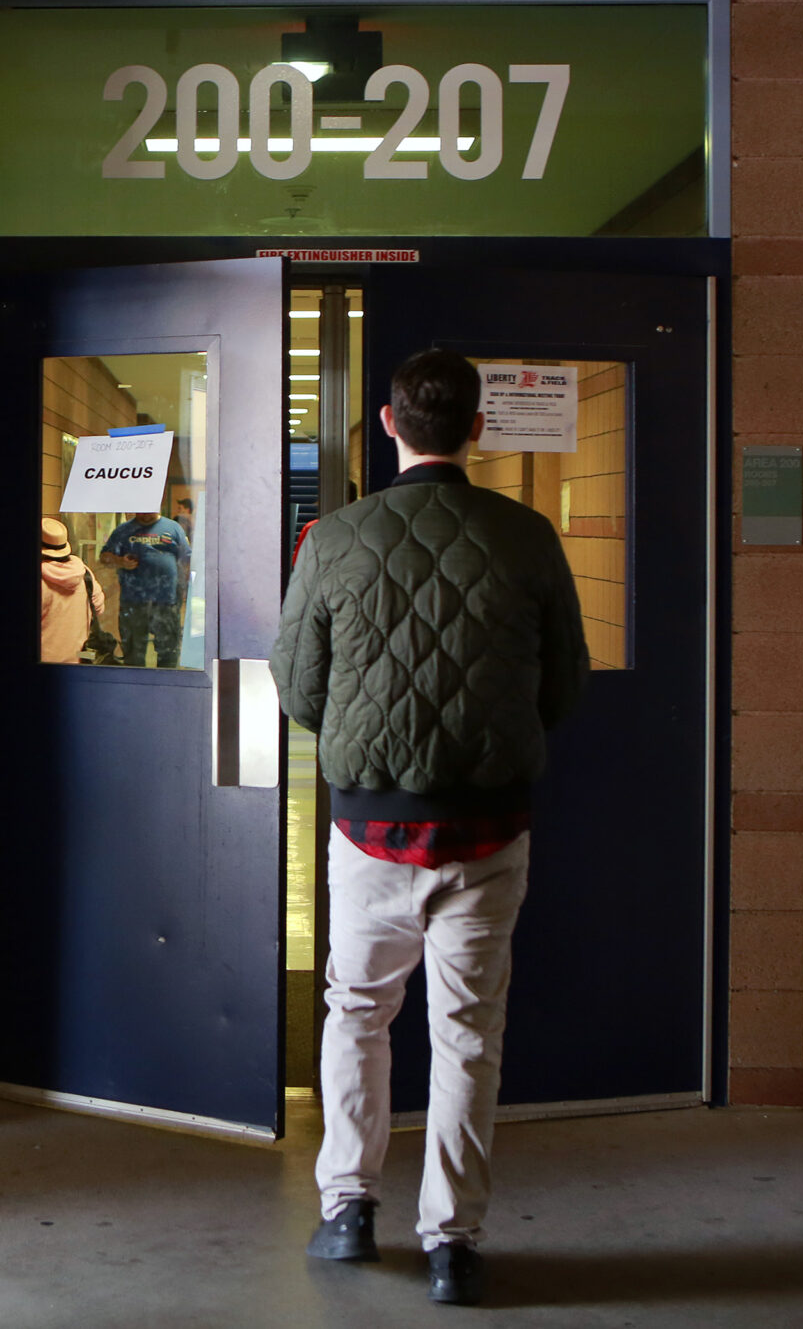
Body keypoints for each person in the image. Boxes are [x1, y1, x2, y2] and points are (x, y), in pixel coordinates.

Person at [271, 350, 588, 1307]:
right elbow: (564, 684)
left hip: (371, 830)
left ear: (387, 421)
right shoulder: (529, 537)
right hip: (489, 829)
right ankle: (452, 1242)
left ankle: (349, 1210)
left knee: (358, 1011)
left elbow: (299, 687)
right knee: (467, 1032)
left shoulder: (333, 538)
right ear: (477, 427)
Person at [96, 504, 188, 668]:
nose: (145, 515)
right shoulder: (123, 530)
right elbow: (104, 557)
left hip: (166, 601)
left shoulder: (173, 528)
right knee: (133, 655)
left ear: (159, 506)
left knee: (169, 653)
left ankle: (165, 687)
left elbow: (186, 559)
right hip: (133, 602)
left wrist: (187, 586)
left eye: (149, 511)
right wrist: (120, 561)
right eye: (141, 510)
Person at [37, 517, 104, 664]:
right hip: (79, 661)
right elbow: (98, 608)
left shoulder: (38, 580)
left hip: (42, 665)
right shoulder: (84, 573)